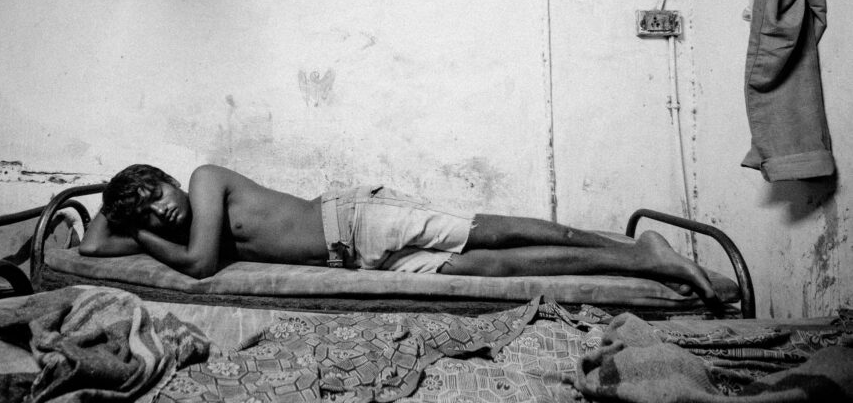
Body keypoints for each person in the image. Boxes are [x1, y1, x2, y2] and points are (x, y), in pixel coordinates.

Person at [79, 164, 718, 304]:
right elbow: (92, 244)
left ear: (170, 178)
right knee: (492, 271)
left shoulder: (205, 179)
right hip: (352, 261)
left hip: (355, 221)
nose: (159, 211)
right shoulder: (176, 231)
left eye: (155, 194)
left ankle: (632, 248)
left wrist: (137, 224)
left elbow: (197, 269)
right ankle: (643, 263)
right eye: (144, 211)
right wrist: (125, 216)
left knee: (490, 235)